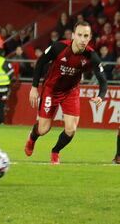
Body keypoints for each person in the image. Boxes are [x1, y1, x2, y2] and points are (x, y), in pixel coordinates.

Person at [24, 21, 108, 164]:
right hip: (51, 90)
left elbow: (103, 80)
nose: (82, 39)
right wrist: (33, 87)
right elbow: (40, 62)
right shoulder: (58, 47)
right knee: (43, 129)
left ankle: (55, 151)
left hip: (71, 92)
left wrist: (101, 96)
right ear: (73, 35)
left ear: (90, 38)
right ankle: (32, 138)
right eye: (80, 35)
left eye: (86, 36)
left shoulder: (91, 56)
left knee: (71, 130)